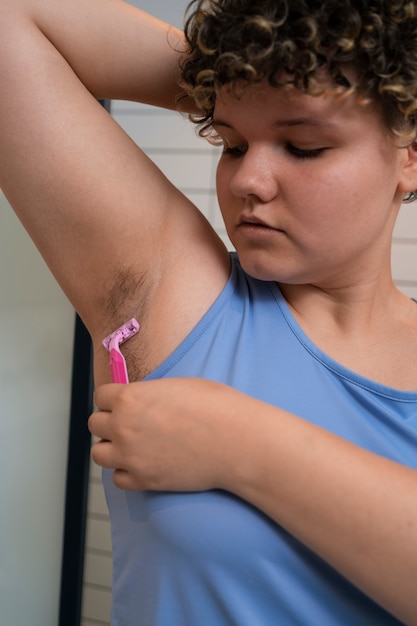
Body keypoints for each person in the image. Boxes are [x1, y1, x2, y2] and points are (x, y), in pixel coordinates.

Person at [1, 0, 417, 623]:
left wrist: (239, 443)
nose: (249, 179)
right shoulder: (176, 295)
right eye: (231, 142)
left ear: (409, 153)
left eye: (301, 145)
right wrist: (238, 73)